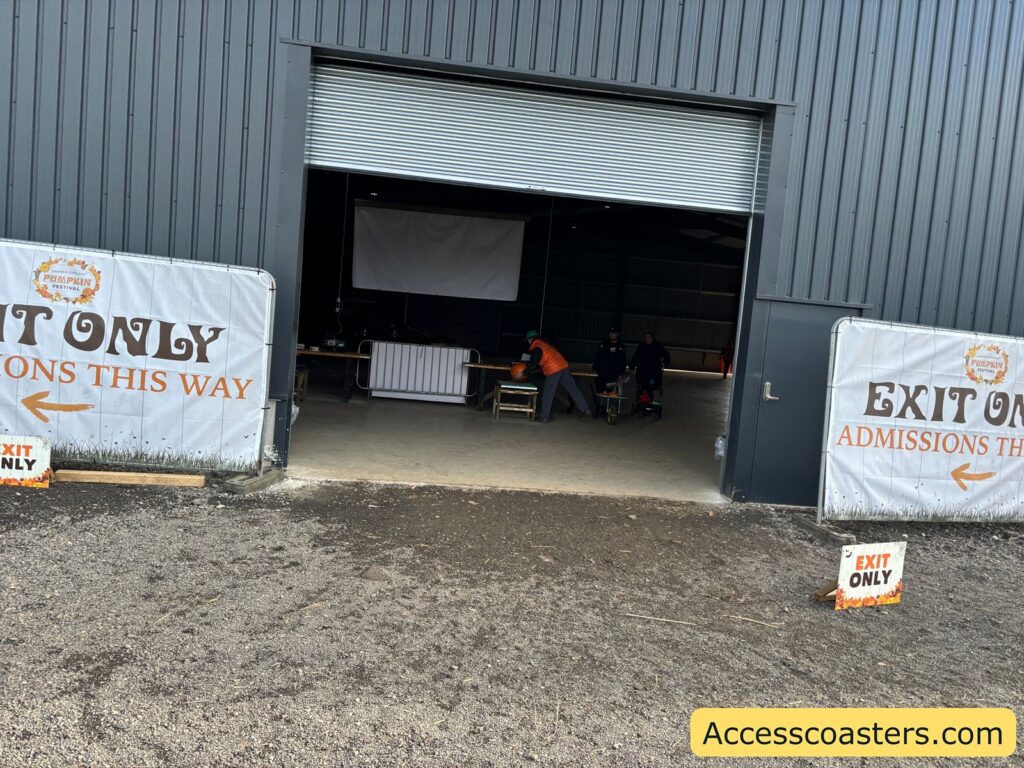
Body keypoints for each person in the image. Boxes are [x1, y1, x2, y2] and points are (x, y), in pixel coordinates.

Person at [524, 330, 591, 423]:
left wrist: (524, 372)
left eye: (528, 340)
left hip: (554, 369)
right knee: (573, 388)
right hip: (563, 366)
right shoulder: (545, 345)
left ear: (530, 339)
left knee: (548, 392)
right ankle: (585, 408)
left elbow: (533, 365)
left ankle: (544, 417)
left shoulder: (537, 347)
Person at [592, 327, 628, 416]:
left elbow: (623, 362)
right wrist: (595, 368)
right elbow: (597, 357)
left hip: (613, 375)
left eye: (613, 333)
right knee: (600, 391)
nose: (611, 334)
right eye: (610, 333)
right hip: (602, 373)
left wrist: (622, 373)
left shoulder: (621, 347)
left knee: (612, 393)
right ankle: (599, 408)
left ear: (617, 334)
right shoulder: (604, 344)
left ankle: (609, 410)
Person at [630, 331, 671, 406]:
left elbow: (666, 354)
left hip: (653, 371)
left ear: (652, 338)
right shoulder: (642, 346)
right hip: (642, 370)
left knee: (650, 387)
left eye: (648, 337)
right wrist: (632, 366)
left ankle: (648, 402)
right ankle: (640, 401)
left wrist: (665, 362)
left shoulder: (657, 346)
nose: (647, 339)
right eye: (646, 337)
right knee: (641, 386)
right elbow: (636, 356)